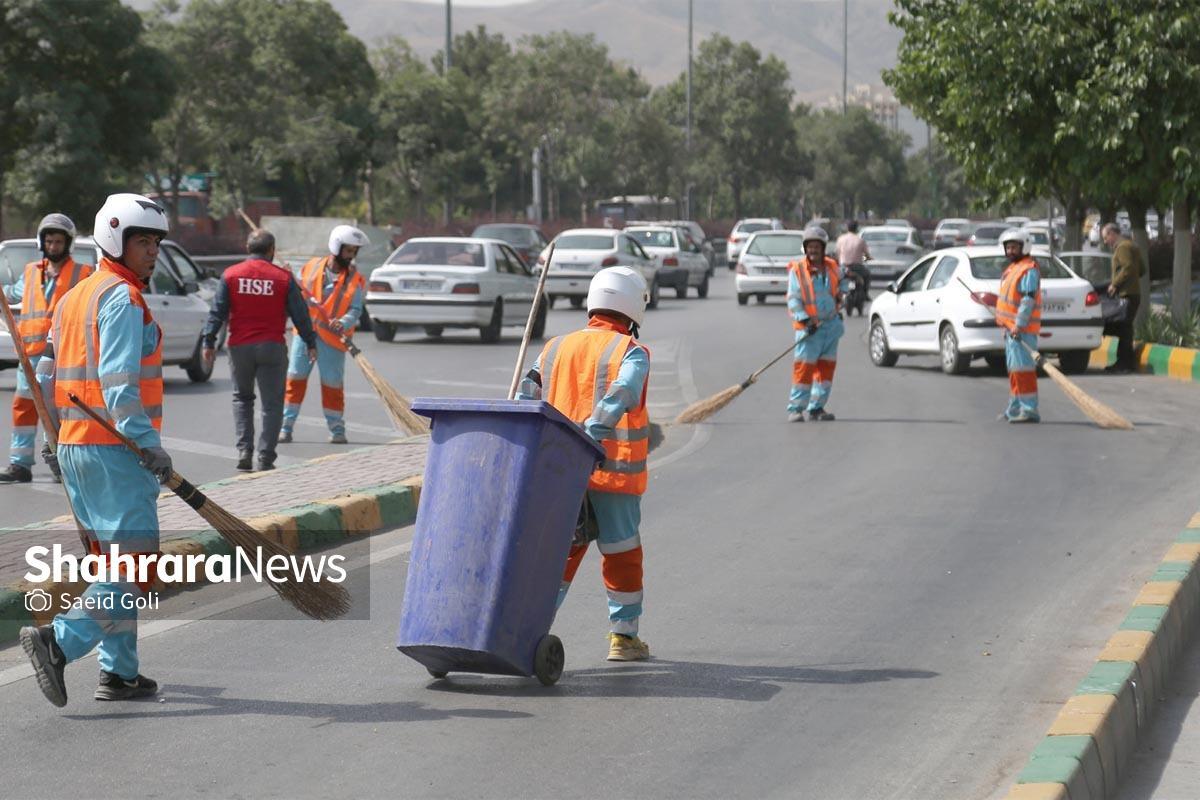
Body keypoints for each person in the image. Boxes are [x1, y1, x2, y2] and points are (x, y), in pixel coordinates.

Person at [19, 193, 173, 706]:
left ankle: (120, 672)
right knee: (136, 566)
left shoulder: (75, 295)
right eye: (142, 241)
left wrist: (50, 436)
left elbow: (43, 371)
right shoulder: (123, 298)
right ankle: (58, 643)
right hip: (116, 450)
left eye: (155, 242)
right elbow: (120, 382)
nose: (152, 251)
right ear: (115, 238)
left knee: (113, 566)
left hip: (75, 446)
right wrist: (149, 446)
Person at [517, 266, 651, 661]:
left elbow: (528, 392)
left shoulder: (555, 346)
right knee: (622, 552)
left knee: (559, 552)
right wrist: (594, 429)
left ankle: (528, 630)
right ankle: (624, 639)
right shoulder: (631, 350)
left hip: (560, 472)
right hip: (613, 474)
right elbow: (624, 389)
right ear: (632, 309)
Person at [201, 229, 317, 471]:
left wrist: (209, 341)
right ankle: (266, 456)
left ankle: (244, 450)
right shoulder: (283, 278)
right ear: (272, 250)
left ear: (247, 247)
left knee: (242, 399)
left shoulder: (231, 275)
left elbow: (217, 311)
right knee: (272, 405)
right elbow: (300, 314)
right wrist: (310, 342)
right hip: (272, 347)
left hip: (240, 347)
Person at [0, 213, 93, 483]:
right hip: (28, 357)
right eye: (49, 241)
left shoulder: (82, 274)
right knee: (24, 409)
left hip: (61, 357)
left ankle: (61, 462)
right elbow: (11, 294)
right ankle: (20, 465)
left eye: (58, 241)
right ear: (43, 243)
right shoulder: (30, 272)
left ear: (68, 243)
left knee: (59, 411)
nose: (53, 246)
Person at [279, 225, 368, 445]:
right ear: (336, 247)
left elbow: (355, 309)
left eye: (354, 252)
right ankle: (285, 427)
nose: (352, 256)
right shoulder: (311, 267)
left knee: (332, 385)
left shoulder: (354, 279)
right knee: (295, 380)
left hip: (333, 340)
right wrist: (288, 277)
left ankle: (337, 430)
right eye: (349, 251)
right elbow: (295, 293)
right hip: (305, 336)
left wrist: (344, 322)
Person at [786, 227, 844, 423]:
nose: (813, 250)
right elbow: (793, 300)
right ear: (805, 248)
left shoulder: (832, 266)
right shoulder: (798, 271)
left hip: (830, 328)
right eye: (810, 247)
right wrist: (805, 320)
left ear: (823, 248)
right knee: (804, 370)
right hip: (809, 331)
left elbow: (842, 283)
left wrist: (847, 289)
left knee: (826, 371)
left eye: (817, 247)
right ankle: (796, 409)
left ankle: (817, 407)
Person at [996, 228, 1042, 423]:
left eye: (1014, 247)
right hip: (1011, 331)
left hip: (1022, 331)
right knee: (1015, 371)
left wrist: (1019, 325)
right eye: (1008, 248)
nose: (1010, 251)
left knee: (1023, 371)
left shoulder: (1029, 269)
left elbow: (1028, 300)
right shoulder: (1013, 269)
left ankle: (1029, 409)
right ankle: (1014, 408)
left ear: (1025, 247)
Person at [1100, 222, 1143, 374]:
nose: (1106, 242)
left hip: (1126, 295)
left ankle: (1124, 364)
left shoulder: (1122, 247)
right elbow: (1141, 269)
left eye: (1106, 238)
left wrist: (1115, 284)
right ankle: (1125, 363)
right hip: (1133, 293)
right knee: (1125, 329)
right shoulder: (1132, 246)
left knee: (1123, 329)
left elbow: (1129, 267)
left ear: (1112, 233)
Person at [835, 220, 873, 301]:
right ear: (856, 229)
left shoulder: (840, 239)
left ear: (847, 228)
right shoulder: (860, 240)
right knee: (867, 275)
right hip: (857, 267)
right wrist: (868, 258)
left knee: (836, 279)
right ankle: (865, 294)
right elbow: (867, 254)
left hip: (843, 267)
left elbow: (837, 253)